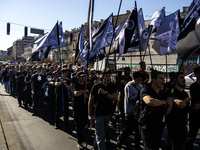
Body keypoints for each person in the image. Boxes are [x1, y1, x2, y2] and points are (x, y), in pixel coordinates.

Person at [138, 70, 173, 150]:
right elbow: (150, 101)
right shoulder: (146, 90)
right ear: (153, 80)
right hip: (146, 125)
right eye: (160, 78)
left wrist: (170, 106)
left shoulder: (162, 94)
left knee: (156, 146)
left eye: (164, 78)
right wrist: (163, 102)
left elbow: (165, 113)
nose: (163, 80)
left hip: (158, 125)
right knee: (149, 147)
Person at [88, 68, 117, 150]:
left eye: (109, 76)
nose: (108, 78)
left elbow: (115, 98)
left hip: (108, 113)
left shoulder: (112, 86)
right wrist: (89, 114)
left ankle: (94, 148)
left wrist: (106, 93)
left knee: (100, 133)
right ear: (102, 76)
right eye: (106, 76)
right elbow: (90, 100)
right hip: (98, 114)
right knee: (101, 136)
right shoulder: (96, 86)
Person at [166, 72, 191, 150]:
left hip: (183, 124)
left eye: (183, 78)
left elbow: (187, 108)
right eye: (181, 78)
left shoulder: (184, 94)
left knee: (181, 143)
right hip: (173, 124)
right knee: (176, 145)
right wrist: (188, 99)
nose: (183, 80)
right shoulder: (171, 91)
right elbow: (180, 104)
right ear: (175, 79)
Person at [117, 72, 142, 149]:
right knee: (129, 130)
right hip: (130, 111)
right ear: (133, 78)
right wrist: (137, 96)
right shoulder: (128, 86)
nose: (139, 81)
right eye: (137, 80)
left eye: (140, 80)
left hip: (138, 112)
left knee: (138, 131)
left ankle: (137, 147)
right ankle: (120, 139)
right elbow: (129, 98)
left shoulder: (140, 87)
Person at [73, 71, 89, 149]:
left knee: (85, 121)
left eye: (84, 76)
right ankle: (80, 141)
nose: (82, 78)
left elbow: (90, 93)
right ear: (78, 77)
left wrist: (87, 94)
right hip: (77, 107)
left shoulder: (87, 84)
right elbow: (75, 93)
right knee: (78, 124)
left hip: (85, 107)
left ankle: (80, 132)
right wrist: (83, 92)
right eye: (81, 76)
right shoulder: (75, 84)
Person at [185, 67, 200, 150]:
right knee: (192, 135)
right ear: (197, 74)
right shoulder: (193, 86)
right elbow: (195, 98)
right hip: (195, 113)